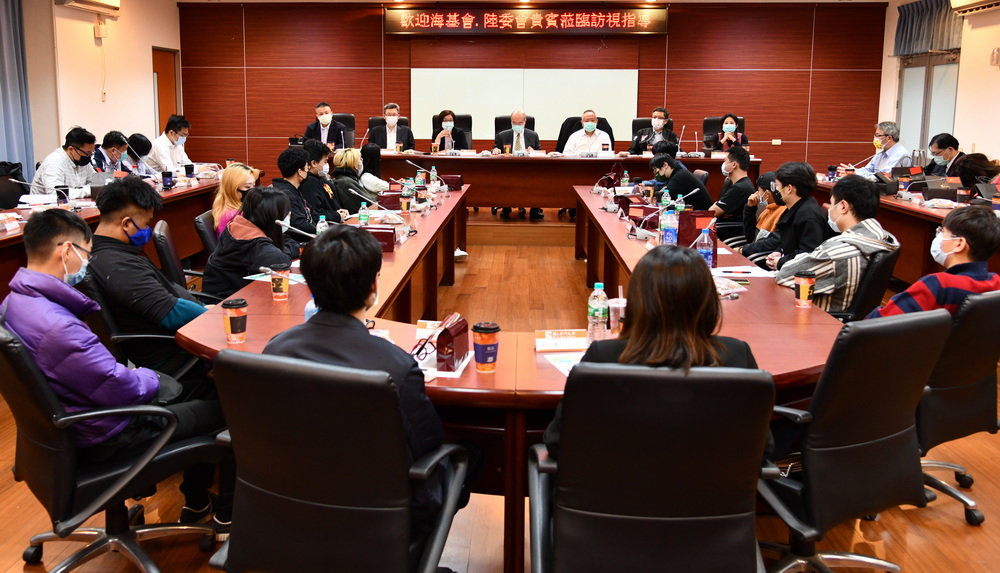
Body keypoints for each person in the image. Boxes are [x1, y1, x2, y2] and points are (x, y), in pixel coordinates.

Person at [2, 209, 231, 535]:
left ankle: (197, 503)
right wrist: (149, 376)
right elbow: (116, 385)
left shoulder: (13, 303)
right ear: (66, 251)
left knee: (202, 388)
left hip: (70, 425)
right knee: (230, 408)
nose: (87, 264)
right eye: (86, 254)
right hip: (108, 433)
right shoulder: (57, 327)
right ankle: (226, 516)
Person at [262, 224, 446, 532]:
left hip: (293, 507)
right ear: (374, 285)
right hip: (379, 518)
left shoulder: (275, 348)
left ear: (309, 284)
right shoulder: (396, 367)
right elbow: (430, 442)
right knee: (471, 456)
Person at [542, 245, 758, 459]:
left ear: (637, 300)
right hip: (714, 482)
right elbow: (761, 447)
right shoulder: (737, 355)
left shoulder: (603, 356)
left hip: (618, 482)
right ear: (708, 300)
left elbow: (558, 441)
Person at [87, 175, 208, 371]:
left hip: (180, 340)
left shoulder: (106, 252)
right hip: (176, 356)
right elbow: (171, 313)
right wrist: (212, 316)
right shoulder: (118, 266)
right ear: (126, 224)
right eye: (145, 224)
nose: (147, 230)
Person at [775, 175, 898, 313]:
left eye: (832, 204)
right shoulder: (883, 237)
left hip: (822, 318)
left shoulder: (835, 252)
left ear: (843, 206)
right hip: (855, 320)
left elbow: (784, 275)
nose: (830, 210)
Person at [868, 206, 1000, 318]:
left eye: (942, 232)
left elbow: (878, 323)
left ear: (959, 244)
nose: (939, 237)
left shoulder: (938, 284)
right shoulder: (996, 283)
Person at [203, 186, 298, 298]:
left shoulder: (239, 225)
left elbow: (287, 245)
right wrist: (286, 250)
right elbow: (281, 262)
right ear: (273, 216)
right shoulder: (255, 243)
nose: (289, 215)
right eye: (286, 213)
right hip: (227, 300)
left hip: (237, 292)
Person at [762, 162, 832, 271]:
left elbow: (808, 255)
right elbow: (786, 240)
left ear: (789, 189)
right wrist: (778, 251)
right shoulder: (793, 208)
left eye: (776, 185)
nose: (775, 190)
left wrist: (781, 262)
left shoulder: (809, 216)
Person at [493, 110, 543, 219]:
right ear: (511, 122)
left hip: (528, 168)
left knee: (538, 177)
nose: (517, 125)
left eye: (520, 123)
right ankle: (506, 206)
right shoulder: (502, 135)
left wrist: (533, 152)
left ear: (525, 122)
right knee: (504, 177)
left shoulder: (533, 135)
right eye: (514, 123)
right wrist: (495, 150)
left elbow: (540, 153)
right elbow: (495, 149)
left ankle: (535, 208)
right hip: (508, 168)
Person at [736, 171, 787, 269]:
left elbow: (771, 244)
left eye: (759, 191)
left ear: (767, 194)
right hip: (752, 253)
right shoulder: (768, 210)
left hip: (760, 261)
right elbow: (751, 237)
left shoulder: (782, 212)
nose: (756, 194)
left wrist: (742, 250)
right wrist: (750, 208)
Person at [30, 126, 96, 195]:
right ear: (71, 149)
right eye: (87, 153)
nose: (89, 156)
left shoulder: (82, 160)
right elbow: (57, 193)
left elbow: (97, 184)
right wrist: (87, 191)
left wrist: (83, 190)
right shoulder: (54, 162)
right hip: (45, 202)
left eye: (92, 153)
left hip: (74, 201)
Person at [710, 146, 755, 244]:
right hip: (722, 229)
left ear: (734, 165)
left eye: (725, 161)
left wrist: (719, 208)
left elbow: (711, 212)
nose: (723, 164)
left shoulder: (740, 188)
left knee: (693, 225)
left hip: (727, 234)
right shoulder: (737, 184)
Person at [837, 121, 911, 181]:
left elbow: (883, 177)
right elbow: (868, 170)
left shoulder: (900, 154)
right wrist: (852, 171)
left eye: (878, 135)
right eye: (875, 135)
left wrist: (856, 173)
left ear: (889, 138)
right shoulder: (882, 153)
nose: (876, 138)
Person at [299, 139, 349, 225]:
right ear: (314, 163)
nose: (327, 165)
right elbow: (315, 214)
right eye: (325, 161)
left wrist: (341, 212)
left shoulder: (321, 179)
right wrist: (336, 215)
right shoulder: (309, 184)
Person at [271, 147, 317, 237]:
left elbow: (313, 213)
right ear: (300, 172)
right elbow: (300, 225)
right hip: (303, 240)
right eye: (307, 168)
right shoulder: (287, 195)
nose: (308, 170)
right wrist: (323, 231)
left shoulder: (294, 189)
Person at [647, 154, 712, 210]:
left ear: (665, 165)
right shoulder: (678, 173)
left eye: (656, 170)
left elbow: (665, 198)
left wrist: (649, 194)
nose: (656, 174)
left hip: (700, 215)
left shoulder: (679, 177)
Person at [212, 163, 259, 237]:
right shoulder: (231, 217)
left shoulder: (241, 207)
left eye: (253, 185)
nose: (252, 190)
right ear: (232, 189)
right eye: (247, 187)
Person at [331, 147, 378, 213]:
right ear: (356, 165)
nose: (362, 162)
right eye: (360, 159)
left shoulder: (343, 179)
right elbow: (371, 205)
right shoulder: (347, 182)